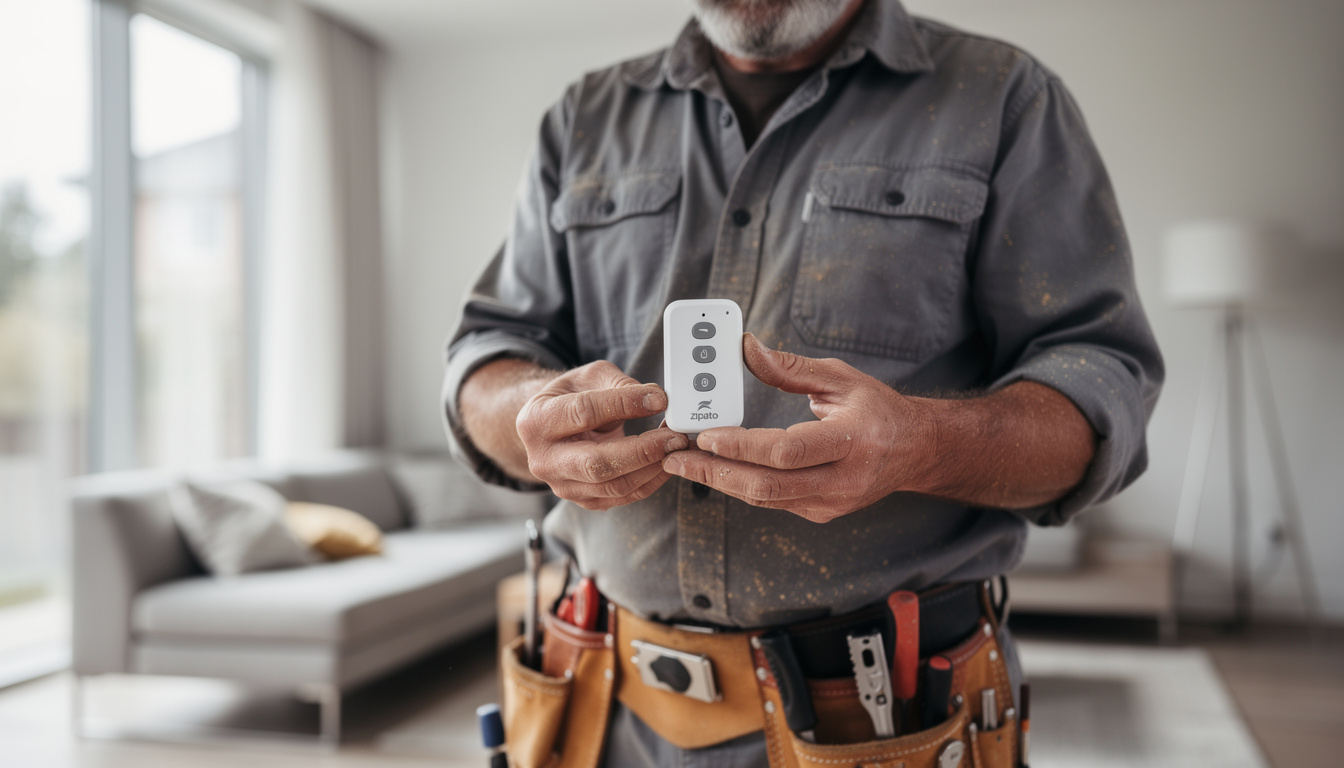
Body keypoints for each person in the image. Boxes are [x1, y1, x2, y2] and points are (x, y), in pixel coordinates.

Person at [443, 0, 1163, 765]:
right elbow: (486, 355)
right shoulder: (582, 117)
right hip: (601, 699)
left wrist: (917, 447)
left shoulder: (1003, 96)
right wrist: (528, 416)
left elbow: (1099, 387)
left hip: (895, 714)